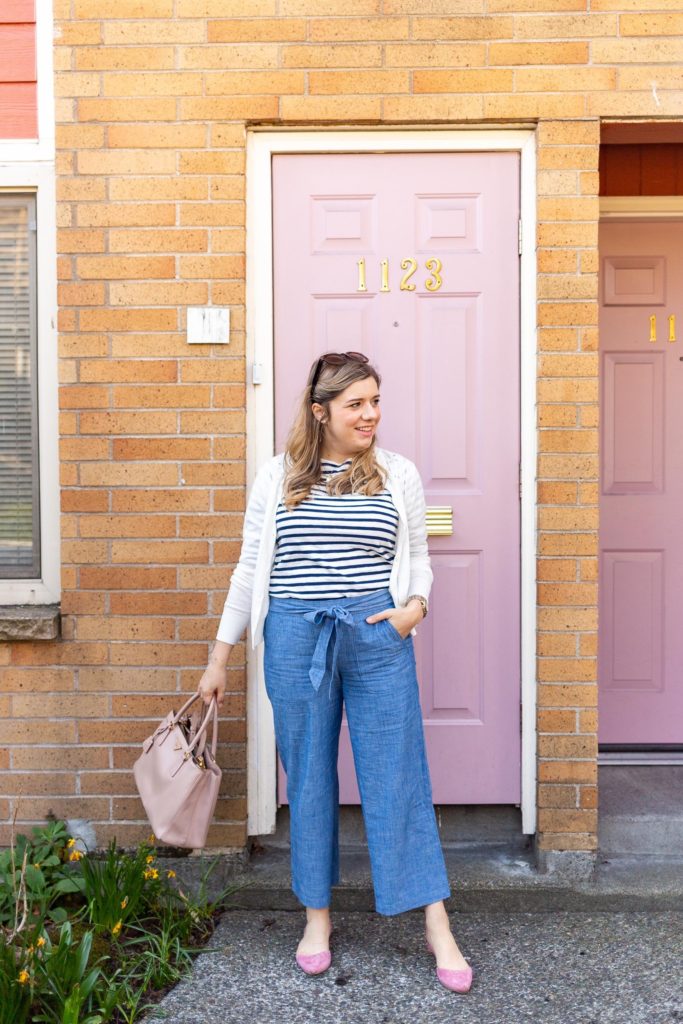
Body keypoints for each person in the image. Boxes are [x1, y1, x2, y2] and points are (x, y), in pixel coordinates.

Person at [197, 351, 473, 994]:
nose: (371, 414)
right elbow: (247, 570)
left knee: (399, 775)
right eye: (356, 404)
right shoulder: (278, 477)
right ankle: (316, 918)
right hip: (296, 637)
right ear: (320, 411)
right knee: (311, 778)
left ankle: (437, 925)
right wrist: (219, 659)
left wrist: (415, 609)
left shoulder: (397, 473)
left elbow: (419, 555)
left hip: (377, 636)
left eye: (376, 401)